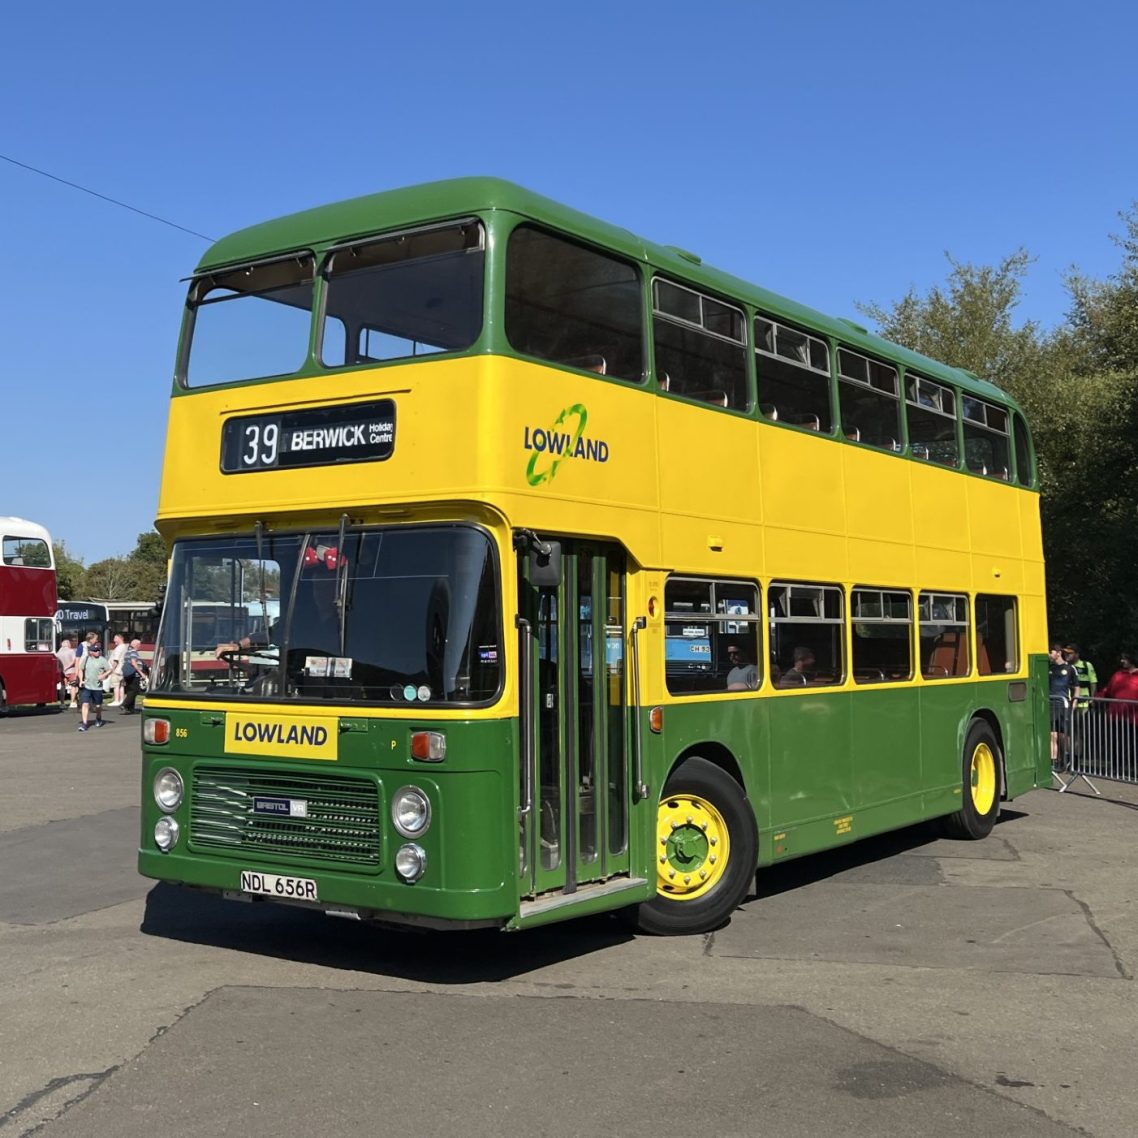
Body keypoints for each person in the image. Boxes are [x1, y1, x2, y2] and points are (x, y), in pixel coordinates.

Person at [1048, 642, 1078, 767]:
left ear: (1058, 653)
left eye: (1051, 652)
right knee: (1052, 734)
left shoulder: (1070, 668)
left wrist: (1074, 702)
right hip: (1051, 704)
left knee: (1063, 735)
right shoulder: (1049, 668)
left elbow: (1076, 686)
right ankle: (1054, 762)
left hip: (1063, 705)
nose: (1049, 654)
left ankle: (1070, 757)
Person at [76, 641, 112, 731]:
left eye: (98, 650)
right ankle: (84, 724)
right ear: (91, 652)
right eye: (95, 651)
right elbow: (81, 669)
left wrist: (104, 675)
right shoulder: (86, 659)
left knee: (98, 706)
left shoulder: (102, 660)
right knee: (85, 704)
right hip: (87, 686)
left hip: (97, 687)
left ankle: (98, 718)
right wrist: (81, 680)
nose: (97, 652)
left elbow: (110, 670)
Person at [119, 638, 149, 714]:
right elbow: (133, 663)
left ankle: (131, 708)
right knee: (134, 690)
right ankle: (124, 704)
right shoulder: (133, 652)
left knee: (131, 690)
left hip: (128, 674)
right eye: (139, 645)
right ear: (136, 645)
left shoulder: (128, 652)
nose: (140, 646)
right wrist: (141, 673)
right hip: (134, 674)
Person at [1064, 644, 1098, 708]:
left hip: (1083, 702)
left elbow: (1093, 683)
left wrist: (1092, 699)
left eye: (1070, 653)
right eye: (1065, 653)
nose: (1066, 654)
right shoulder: (1064, 667)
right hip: (1068, 702)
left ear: (1077, 654)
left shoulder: (1086, 665)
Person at [106, 633, 128, 706]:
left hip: (117, 670)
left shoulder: (119, 648)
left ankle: (116, 700)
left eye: (115, 639)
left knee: (116, 685)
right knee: (121, 685)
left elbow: (116, 660)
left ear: (120, 638)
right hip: (123, 669)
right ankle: (121, 700)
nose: (114, 640)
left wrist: (112, 669)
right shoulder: (125, 647)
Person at [56, 638, 78, 708]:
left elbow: (57, 664)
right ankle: (72, 702)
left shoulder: (58, 653)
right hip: (71, 671)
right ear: (68, 644)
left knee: (63, 687)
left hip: (62, 672)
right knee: (73, 686)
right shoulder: (71, 651)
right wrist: (67, 667)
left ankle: (62, 703)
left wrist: (62, 669)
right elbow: (74, 661)